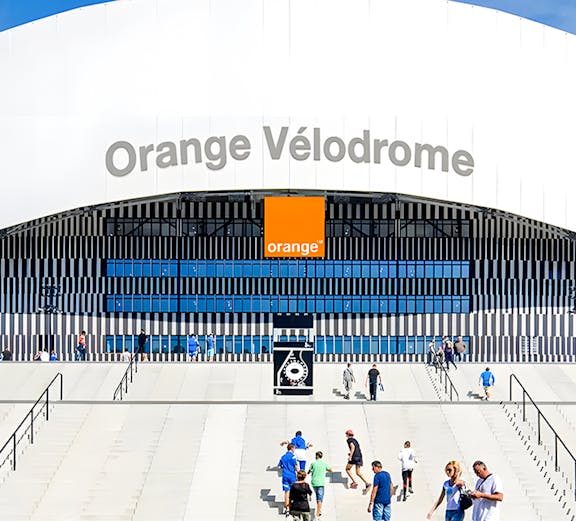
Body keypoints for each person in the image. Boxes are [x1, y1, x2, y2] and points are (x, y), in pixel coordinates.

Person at [308, 451, 333, 517]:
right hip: (321, 483)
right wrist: (324, 470)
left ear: (316, 456)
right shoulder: (324, 464)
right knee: (320, 498)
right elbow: (331, 470)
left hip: (314, 482)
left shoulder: (313, 463)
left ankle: (319, 510)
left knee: (318, 497)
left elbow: (309, 471)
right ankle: (317, 514)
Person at [278, 443, 298, 516]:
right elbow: (296, 466)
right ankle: (294, 506)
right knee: (295, 492)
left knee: (286, 492)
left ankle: (287, 509)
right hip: (292, 476)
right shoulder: (293, 457)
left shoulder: (283, 457)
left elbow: (279, 466)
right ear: (292, 448)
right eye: (294, 448)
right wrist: (300, 473)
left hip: (285, 476)